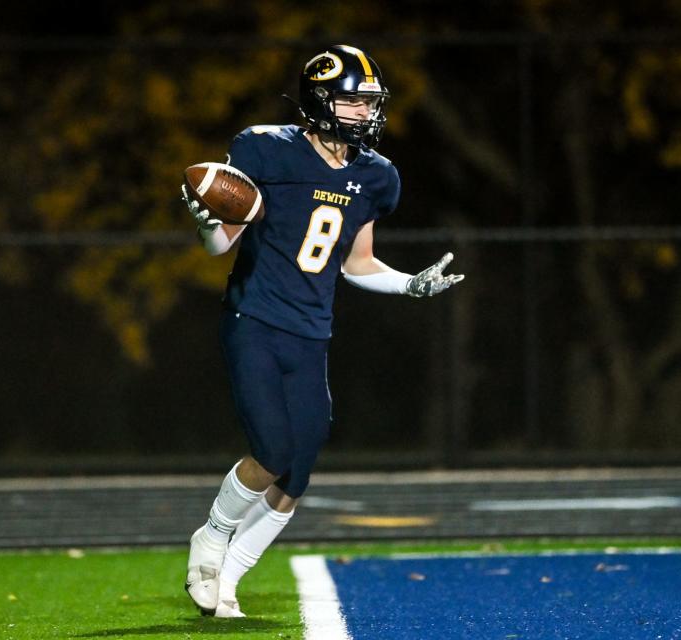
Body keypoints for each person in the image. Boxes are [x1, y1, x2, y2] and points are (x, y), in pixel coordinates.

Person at [179, 44, 464, 618]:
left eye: (370, 102)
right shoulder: (265, 149)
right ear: (320, 101)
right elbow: (221, 246)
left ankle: (228, 581)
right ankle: (211, 538)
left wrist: (411, 284)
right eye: (353, 101)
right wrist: (209, 223)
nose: (364, 112)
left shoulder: (376, 177)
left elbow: (357, 263)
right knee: (273, 450)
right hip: (255, 320)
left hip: (312, 332)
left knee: (298, 469)